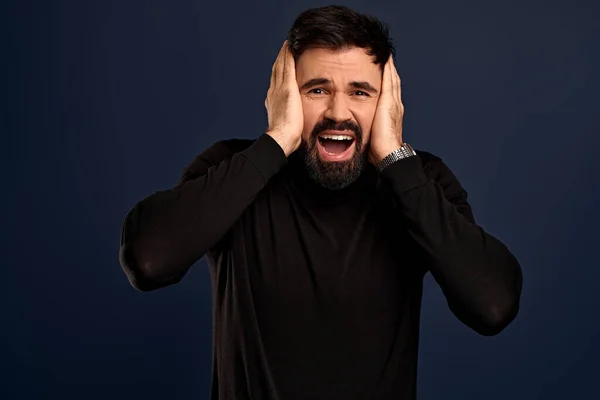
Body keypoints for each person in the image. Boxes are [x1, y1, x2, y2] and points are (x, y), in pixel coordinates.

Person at [118, 5, 523, 400]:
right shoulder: (231, 169)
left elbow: (492, 305)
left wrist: (397, 161)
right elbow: (149, 262)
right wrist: (276, 141)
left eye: (360, 92)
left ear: (388, 103)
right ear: (286, 93)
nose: (337, 112)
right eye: (317, 90)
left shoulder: (419, 181)